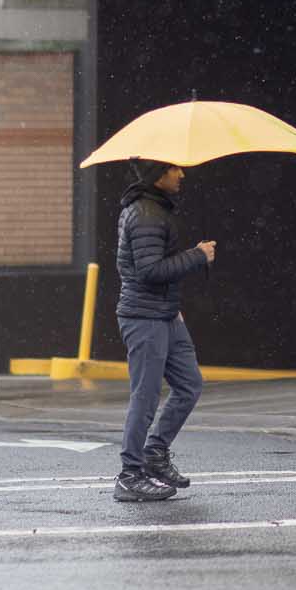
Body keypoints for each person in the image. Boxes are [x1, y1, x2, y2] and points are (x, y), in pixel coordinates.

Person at [113, 162, 215, 501]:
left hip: (166, 315)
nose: (182, 175)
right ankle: (129, 475)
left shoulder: (155, 208)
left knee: (189, 385)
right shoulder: (145, 213)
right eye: (176, 169)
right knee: (145, 394)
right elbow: (150, 270)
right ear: (159, 173)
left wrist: (174, 309)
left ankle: (154, 452)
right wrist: (197, 256)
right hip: (144, 317)